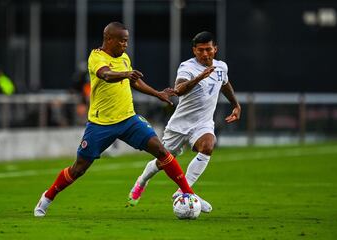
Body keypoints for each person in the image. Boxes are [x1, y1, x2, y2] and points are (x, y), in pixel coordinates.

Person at [34, 22, 206, 217]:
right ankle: (47, 197)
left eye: (127, 41)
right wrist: (125, 74)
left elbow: (134, 81)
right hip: (101, 125)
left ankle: (189, 194)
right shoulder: (96, 56)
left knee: (161, 150)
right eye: (122, 40)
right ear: (109, 39)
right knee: (78, 169)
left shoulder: (123, 58)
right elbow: (106, 75)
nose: (125, 45)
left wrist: (157, 94)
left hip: (128, 119)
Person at [128, 31, 241, 213]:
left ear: (215, 49)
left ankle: (183, 191)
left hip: (202, 124)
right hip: (179, 126)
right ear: (194, 50)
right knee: (162, 160)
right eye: (201, 50)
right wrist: (198, 78)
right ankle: (141, 181)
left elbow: (225, 84)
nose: (205, 54)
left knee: (208, 146)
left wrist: (236, 104)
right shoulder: (187, 67)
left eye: (209, 49)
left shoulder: (221, 67)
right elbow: (178, 90)